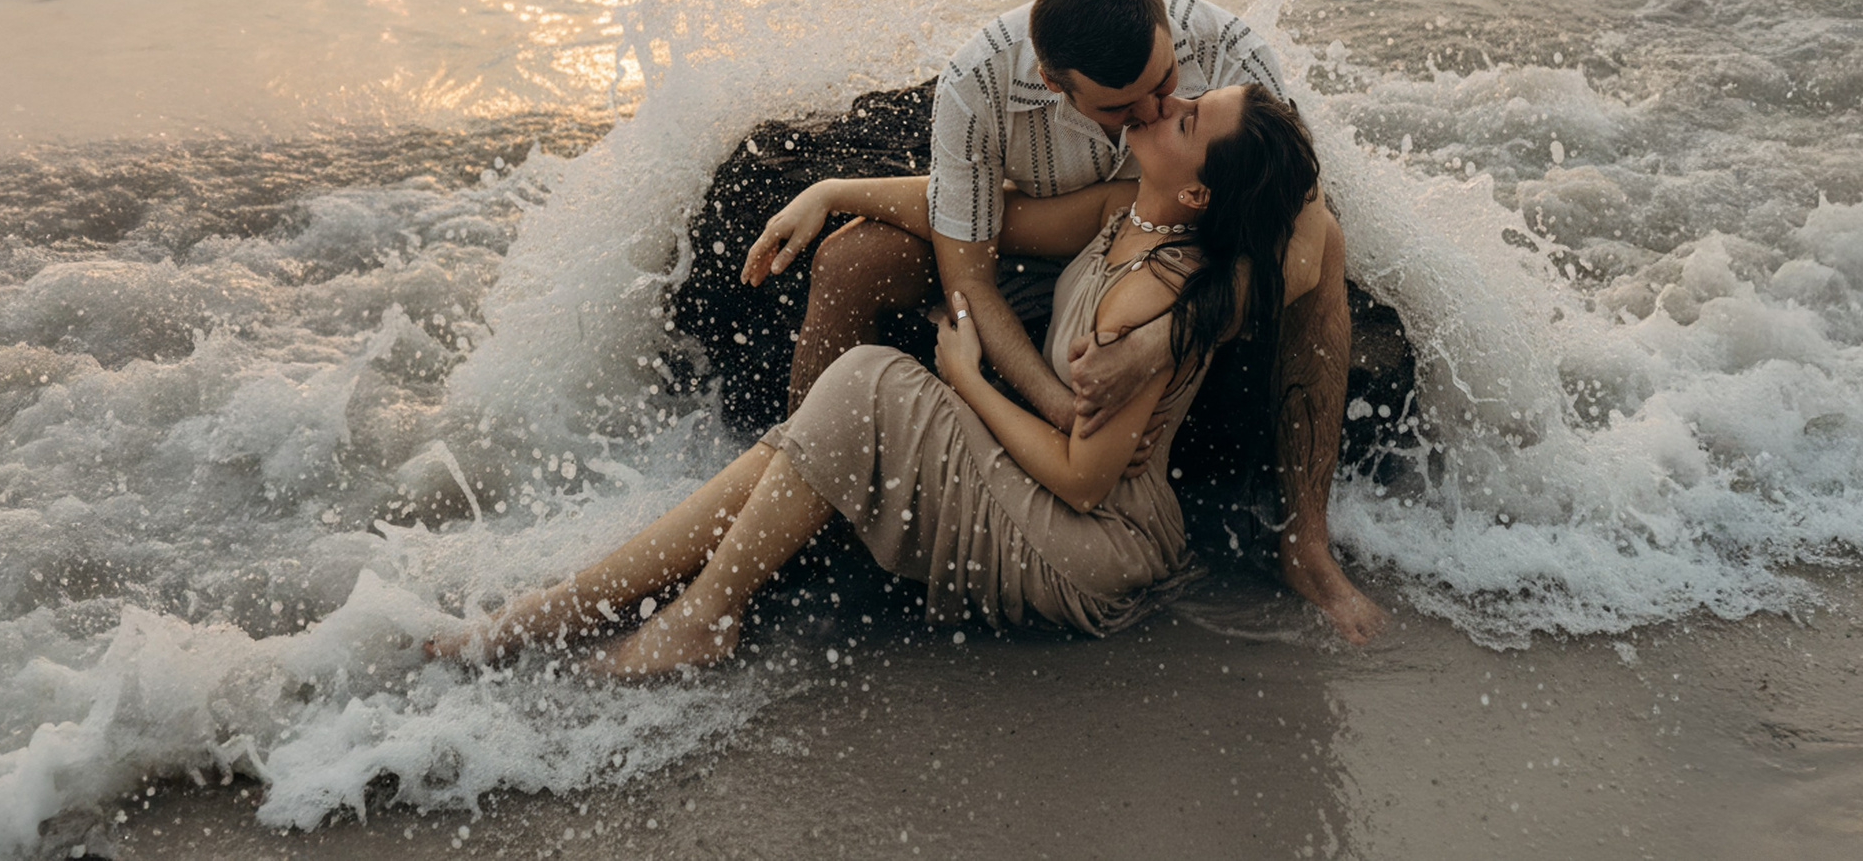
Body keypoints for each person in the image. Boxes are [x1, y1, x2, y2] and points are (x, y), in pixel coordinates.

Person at [432, 84, 1323, 673]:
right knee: (813, 432)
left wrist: (966, 377)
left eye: (1191, 119)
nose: (1172, 100)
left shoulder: (1156, 294)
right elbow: (976, 214)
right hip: (1065, 509)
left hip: (1090, 549)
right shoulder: (1119, 213)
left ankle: (691, 614)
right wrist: (835, 190)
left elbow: (1087, 478)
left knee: (866, 381)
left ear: (1201, 193)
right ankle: (558, 611)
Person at [749, 0, 1384, 642]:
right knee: (850, 258)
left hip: (1157, 262)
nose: (1152, 112)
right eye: (1121, 107)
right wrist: (1063, 405)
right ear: (1056, 83)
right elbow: (974, 260)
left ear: (1169, 32)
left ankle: (1306, 546)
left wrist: (1159, 341)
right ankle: (809, 508)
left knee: (1333, 244)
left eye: (1167, 85)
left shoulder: (1233, 56)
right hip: (1051, 236)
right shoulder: (981, 80)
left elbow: (1303, 246)